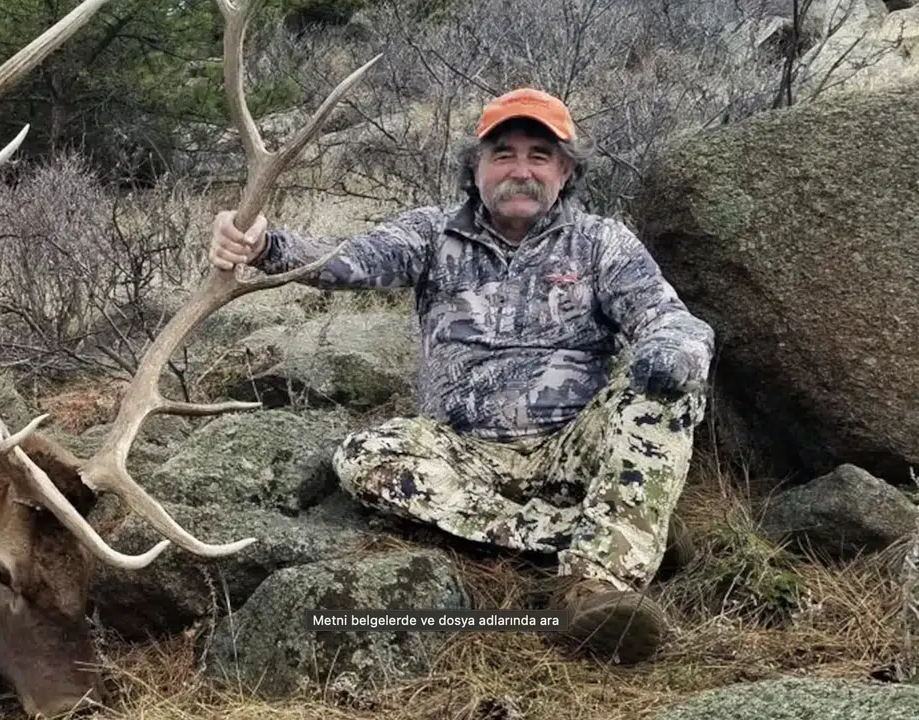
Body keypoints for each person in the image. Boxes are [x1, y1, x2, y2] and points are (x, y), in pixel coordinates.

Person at [208, 87, 714, 665]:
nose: (520, 171)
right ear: (475, 167)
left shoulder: (602, 242)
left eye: (539, 155)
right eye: (503, 153)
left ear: (566, 171)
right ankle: (620, 528)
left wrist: (672, 350)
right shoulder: (430, 233)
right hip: (460, 455)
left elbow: (671, 319)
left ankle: (595, 588)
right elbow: (344, 260)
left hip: (573, 450)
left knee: (663, 396)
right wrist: (263, 244)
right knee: (364, 457)